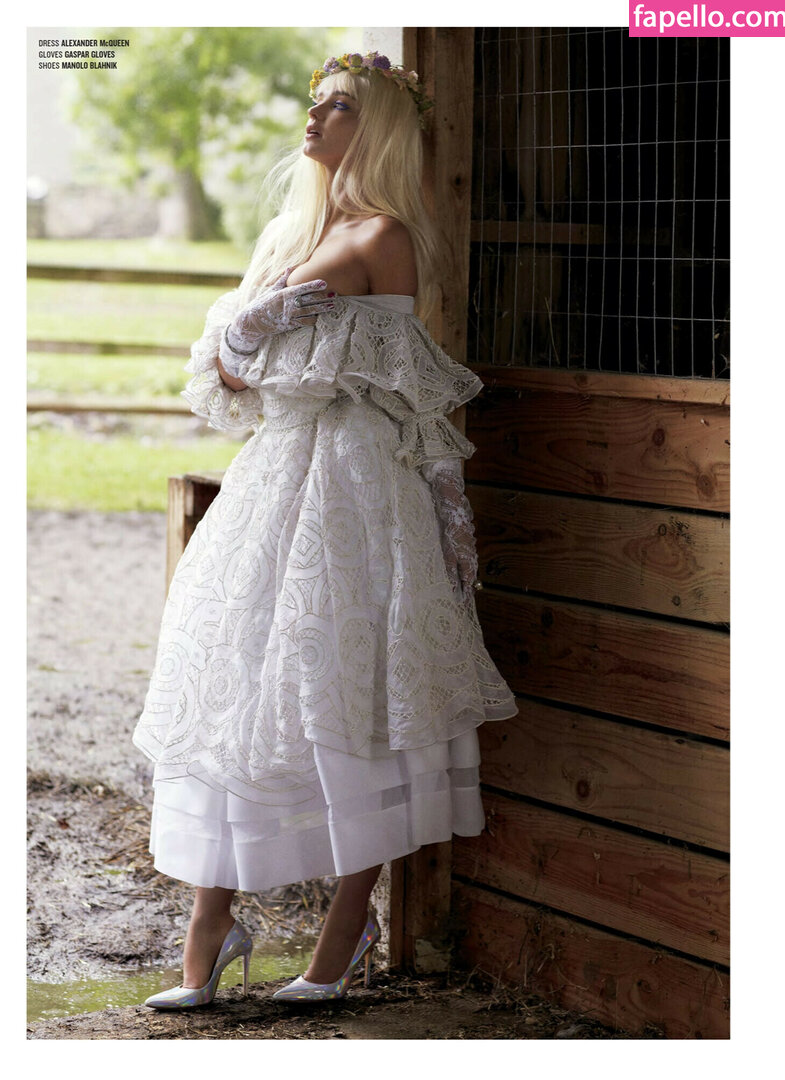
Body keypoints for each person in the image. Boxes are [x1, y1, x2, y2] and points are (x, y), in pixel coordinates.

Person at [133, 50, 518, 1010]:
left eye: (339, 106)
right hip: (274, 474)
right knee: (234, 678)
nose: (314, 118)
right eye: (315, 103)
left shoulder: (386, 236)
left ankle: (348, 926)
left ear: (376, 127)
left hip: (356, 484)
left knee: (348, 681)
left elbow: (414, 398)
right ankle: (212, 927)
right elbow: (221, 375)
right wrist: (250, 324)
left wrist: (450, 515)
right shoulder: (290, 233)